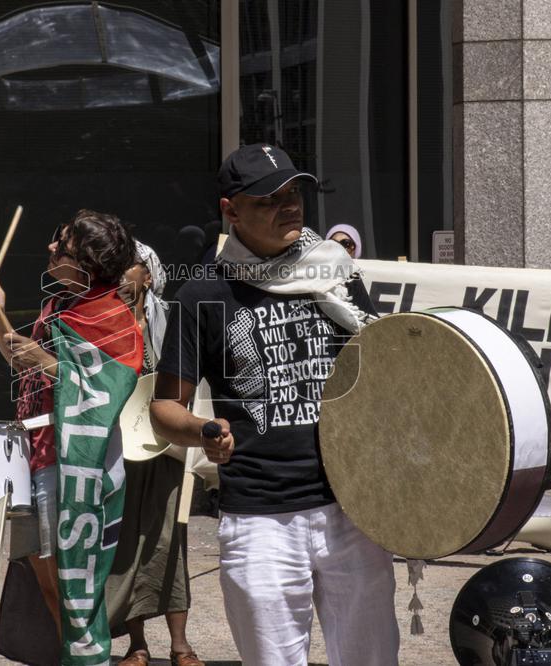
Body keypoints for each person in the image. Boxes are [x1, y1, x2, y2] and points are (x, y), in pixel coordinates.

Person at [150, 144, 398, 666]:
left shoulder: (336, 273)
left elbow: (379, 370)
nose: (289, 207)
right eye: (269, 199)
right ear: (231, 210)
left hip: (353, 510)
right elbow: (163, 410)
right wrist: (205, 431)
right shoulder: (202, 294)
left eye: (294, 194)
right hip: (260, 521)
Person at [0, 209, 143, 662]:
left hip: (74, 464)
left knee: (71, 587)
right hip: (35, 458)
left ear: (87, 265)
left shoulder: (113, 316)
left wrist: (44, 360)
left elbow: (109, 387)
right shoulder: (59, 306)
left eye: (63, 243)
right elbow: (21, 360)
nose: (52, 246)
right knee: (48, 584)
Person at [107, 241, 203, 666]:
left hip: (165, 441)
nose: (124, 276)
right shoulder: (105, 320)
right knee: (128, 539)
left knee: (169, 536)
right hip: (123, 444)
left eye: (131, 267)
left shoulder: (172, 316)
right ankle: (137, 644)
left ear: (148, 275)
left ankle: (180, 645)